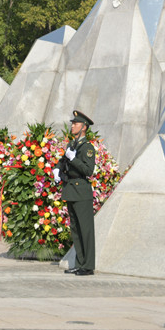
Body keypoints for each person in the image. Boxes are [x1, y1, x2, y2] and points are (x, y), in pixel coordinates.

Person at [54, 111, 97, 276]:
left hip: (81, 190)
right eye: (73, 123)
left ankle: (88, 265)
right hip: (71, 189)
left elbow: (88, 170)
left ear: (84, 127)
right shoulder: (71, 145)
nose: (72, 126)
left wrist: (73, 159)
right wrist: (57, 169)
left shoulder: (87, 147)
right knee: (76, 230)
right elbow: (63, 161)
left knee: (85, 230)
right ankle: (80, 263)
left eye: (76, 124)